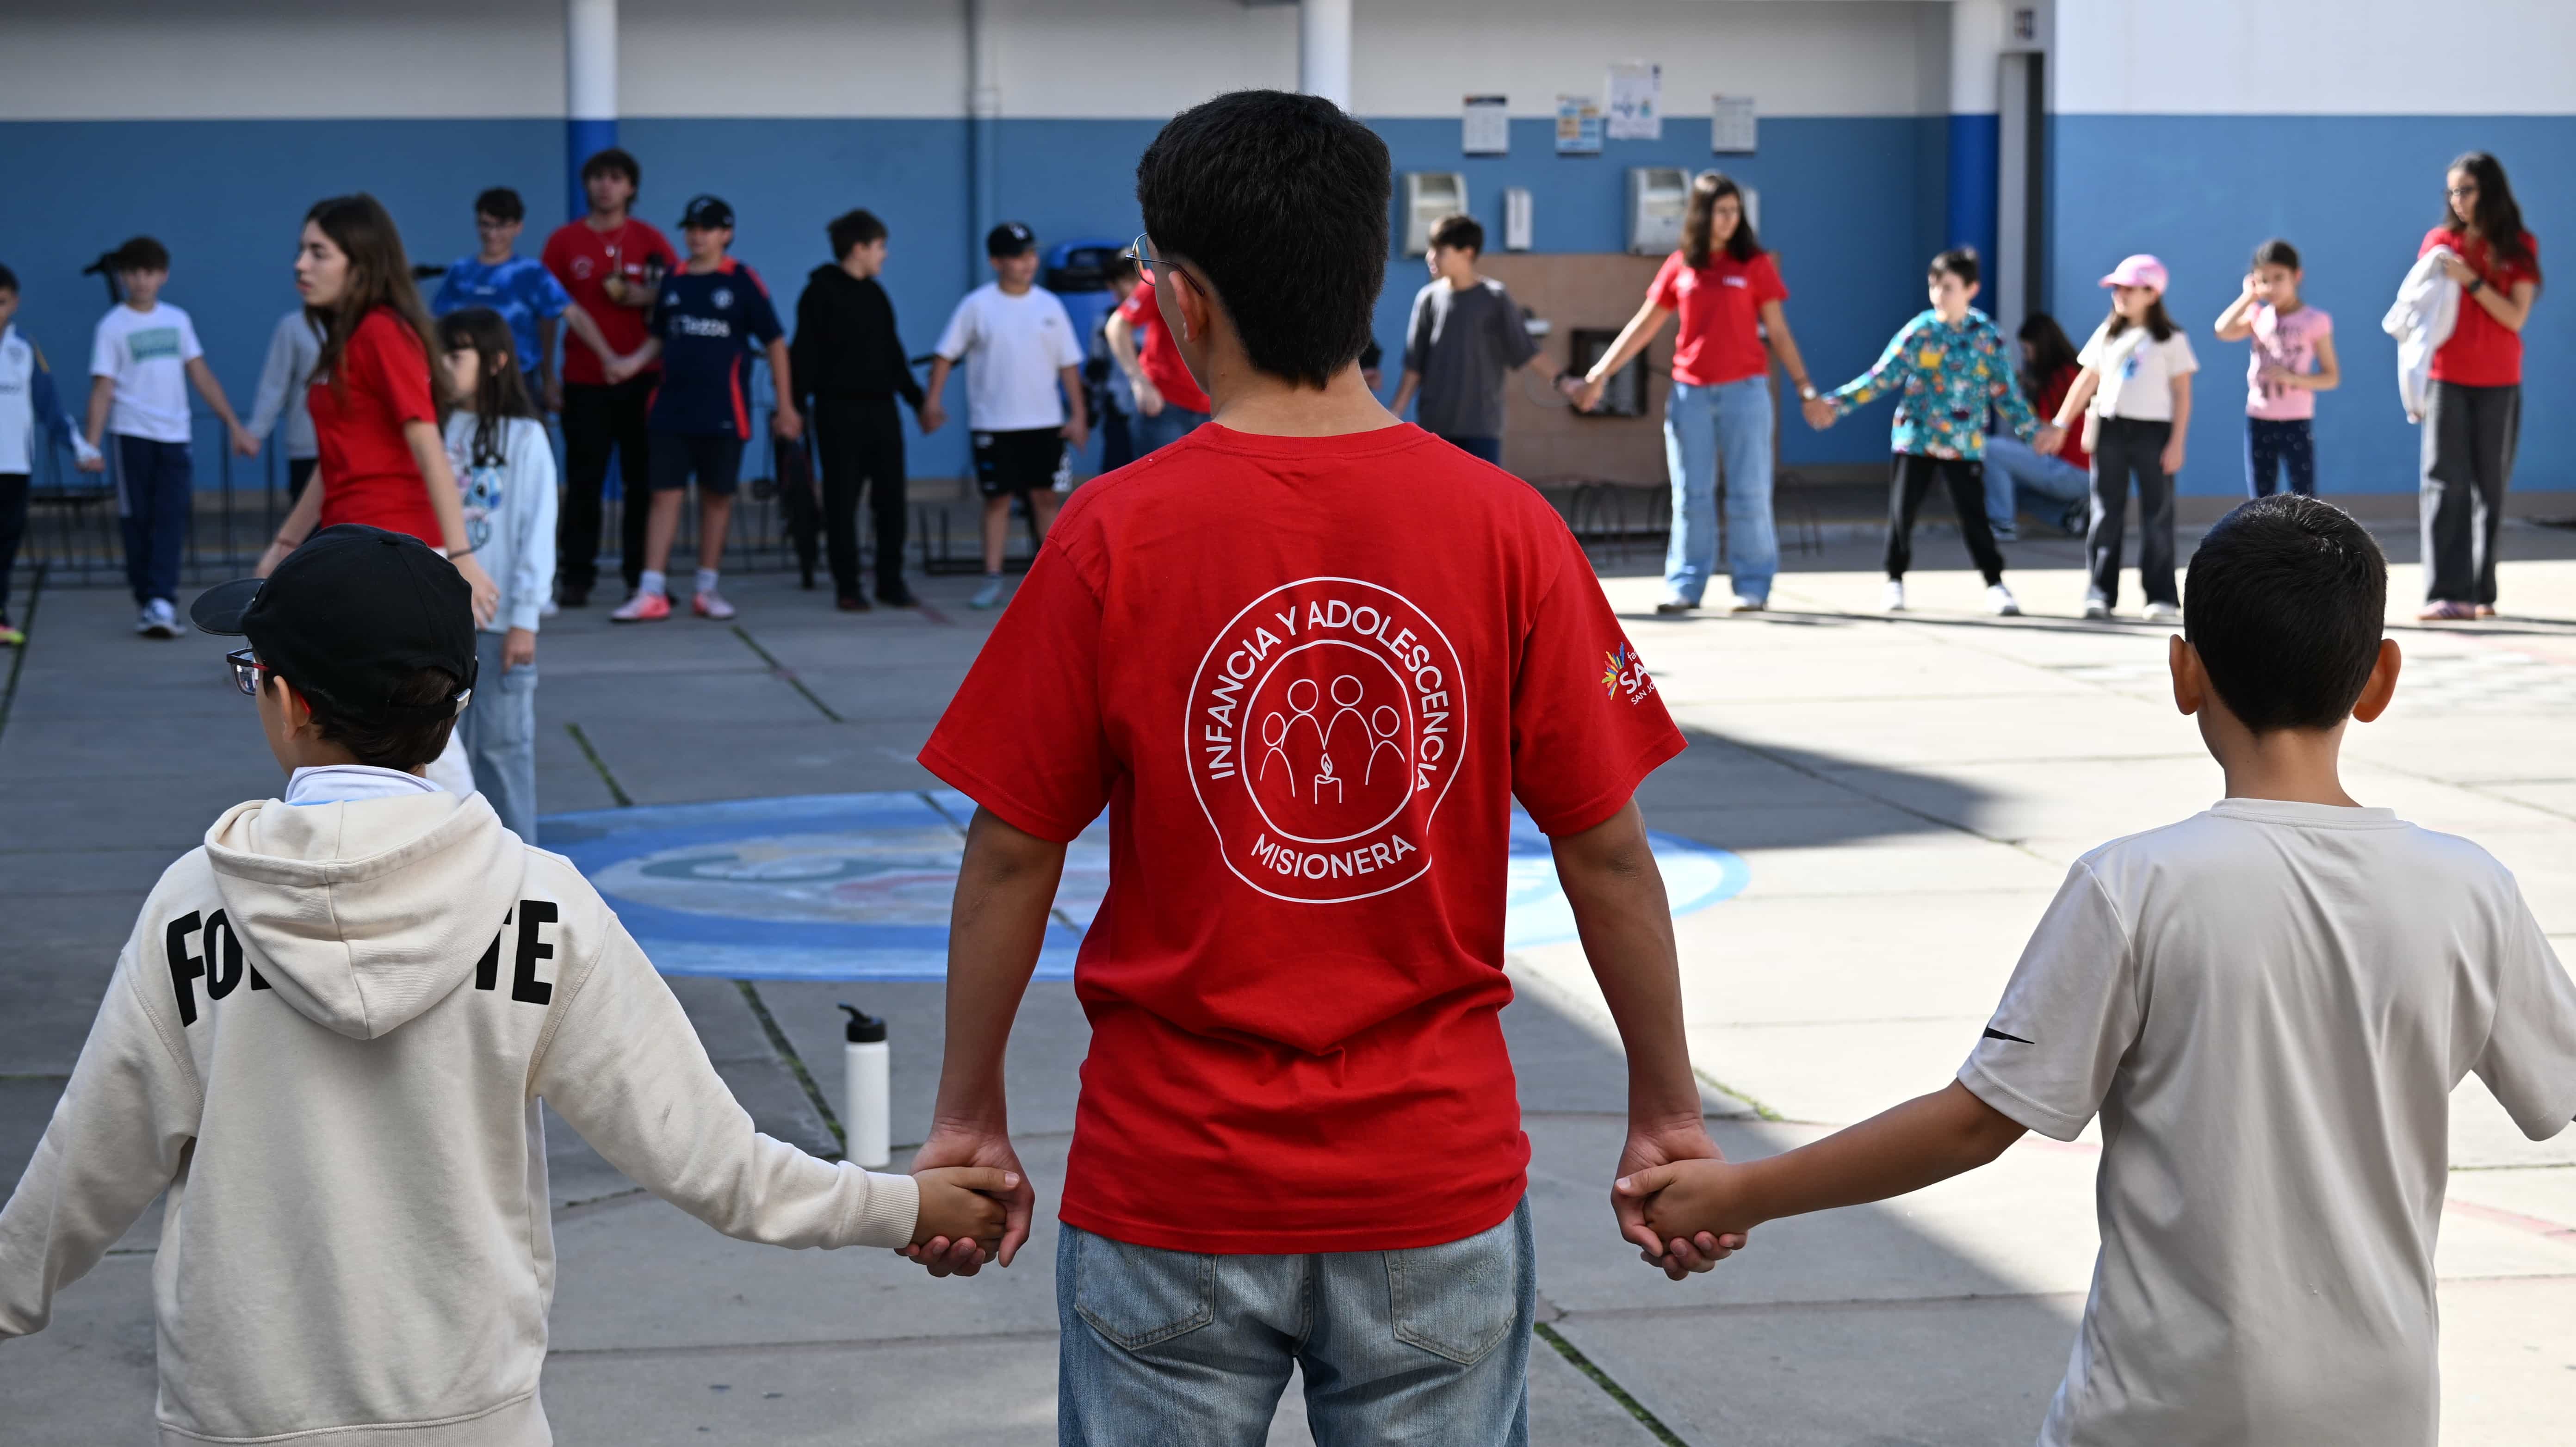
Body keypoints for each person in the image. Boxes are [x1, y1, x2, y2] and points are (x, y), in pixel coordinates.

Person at [899, 90, 1729, 1446]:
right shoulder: (1506, 530)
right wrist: (1665, 1106)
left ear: (1181, 302)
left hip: (1170, 1183)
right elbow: (1606, 846)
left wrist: (967, 1112)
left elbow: (1008, 846)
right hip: (1432, 1182)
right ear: (1370, 280)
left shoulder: (1109, 537)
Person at [0, 523, 1016, 1443]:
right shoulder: (543, 907)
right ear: (454, 709)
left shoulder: (193, 908)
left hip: (243, 1416)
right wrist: (908, 1205)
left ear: (291, 701)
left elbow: (79, 1179)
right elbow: (718, 1166)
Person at [1616, 493, 2576, 1447]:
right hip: (2380, 1411)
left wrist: (1739, 1192)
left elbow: (1972, 1123)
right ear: (2381, 679)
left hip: (2159, 1412)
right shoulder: (2468, 889)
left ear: (2185, 671)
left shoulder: (2137, 886)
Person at [1574, 172, 1820, 614]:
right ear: (1701, 214)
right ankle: (1685, 585)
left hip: (1746, 394)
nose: (1729, 220)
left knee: (1749, 492)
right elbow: (1644, 325)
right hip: (1690, 396)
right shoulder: (1681, 265)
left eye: (1735, 211)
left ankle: (1753, 585)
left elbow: (1779, 332)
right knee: (1691, 495)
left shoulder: (1755, 264)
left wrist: (1806, 389)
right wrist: (1600, 372)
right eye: (1720, 211)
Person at [254, 196, 499, 623]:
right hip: (353, 546)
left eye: (318, 253)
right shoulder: (346, 339)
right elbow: (334, 460)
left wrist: (462, 556)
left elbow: (427, 445)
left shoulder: (383, 332)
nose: (300, 265)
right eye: (301, 250)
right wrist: (285, 546)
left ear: (361, 264)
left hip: (396, 552)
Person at [1808, 248, 2062, 617]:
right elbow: (1883, 376)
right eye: (1933, 286)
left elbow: (2005, 391)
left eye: (1948, 287)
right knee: (1903, 512)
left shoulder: (1987, 336)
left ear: (1971, 289)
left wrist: (2032, 433)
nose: (1938, 295)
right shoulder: (1920, 331)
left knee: (1974, 514)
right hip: (1916, 438)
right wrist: (1837, 405)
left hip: (1964, 444)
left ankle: (1995, 584)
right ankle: (1894, 580)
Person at [604, 194, 797, 623]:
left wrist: (786, 405)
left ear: (726, 234)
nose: (697, 236)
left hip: (725, 411)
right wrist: (631, 363)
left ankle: (707, 589)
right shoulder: (673, 278)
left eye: (707, 228)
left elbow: (775, 342)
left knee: (717, 499)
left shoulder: (743, 280)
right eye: (691, 228)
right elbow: (660, 337)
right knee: (663, 496)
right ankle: (651, 590)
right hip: (671, 409)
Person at [83, 236, 258, 639]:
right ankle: (148, 598)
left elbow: (200, 373)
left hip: (175, 436)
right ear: (124, 276)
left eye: (149, 272)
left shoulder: (177, 320)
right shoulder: (112, 326)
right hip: (131, 436)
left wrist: (234, 424)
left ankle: (161, 600)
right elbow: (102, 388)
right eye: (133, 273)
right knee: (137, 520)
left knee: (171, 519)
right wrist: (91, 445)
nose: (141, 280)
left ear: (163, 275)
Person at [924, 221, 1087, 611]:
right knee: (997, 500)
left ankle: (1051, 579)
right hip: (994, 424)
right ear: (996, 262)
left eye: (1030, 254)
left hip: (1045, 423)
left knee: (1045, 498)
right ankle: (993, 578)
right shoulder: (977, 305)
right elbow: (946, 354)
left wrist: (1078, 414)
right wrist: (932, 401)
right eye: (1016, 256)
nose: (1027, 263)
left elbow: (1068, 366)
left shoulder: (1050, 306)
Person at [437, 308, 556, 839]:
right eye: (438, 354)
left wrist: (525, 617)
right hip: (440, 626)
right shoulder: (431, 428)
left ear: (496, 361)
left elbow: (538, 529)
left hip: (502, 621)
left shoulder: (525, 436)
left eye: (456, 355)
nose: (443, 366)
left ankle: (520, 870)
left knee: (505, 751)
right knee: (440, 758)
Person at [542, 148, 675, 607]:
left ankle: (643, 577)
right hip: (585, 378)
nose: (606, 186)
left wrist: (643, 294)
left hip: (644, 378)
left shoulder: (651, 239)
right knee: (584, 482)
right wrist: (549, 376)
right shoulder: (564, 241)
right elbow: (549, 311)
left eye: (616, 178)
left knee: (643, 482)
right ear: (587, 185)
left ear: (631, 187)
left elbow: (678, 296)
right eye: (598, 177)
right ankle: (577, 576)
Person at [2416, 152, 2542, 621]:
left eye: (2465, 189)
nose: (2457, 199)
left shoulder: (2518, 246)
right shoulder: (2439, 242)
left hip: (2500, 381)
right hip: (2445, 378)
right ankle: (2443, 591)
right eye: (2451, 191)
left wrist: (2471, 281)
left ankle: (2480, 591)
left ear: (2488, 191)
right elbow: (2420, 310)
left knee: (2490, 487)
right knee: (2442, 482)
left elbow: (2515, 316)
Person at [791, 207, 927, 611]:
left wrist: (918, 402)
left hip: (881, 411)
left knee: (890, 500)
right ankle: (847, 584)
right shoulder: (819, 293)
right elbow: (805, 356)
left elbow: (893, 355)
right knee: (841, 501)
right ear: (859, 248)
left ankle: (890, 579)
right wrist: (794, 409)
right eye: (880, 247)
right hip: (838, 411)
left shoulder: (875, 294)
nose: (884, 255)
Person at [2051, 254, 2198, 623]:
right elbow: (2087, 380)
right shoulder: (2108, 333)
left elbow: (2182, 393)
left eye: (2129, 288)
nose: (2119, 295)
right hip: (2111, 430)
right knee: (2105, 512)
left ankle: (2161, 596)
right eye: (2116, 288)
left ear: (2152, 292)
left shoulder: (2171, 339)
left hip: (2154, 434)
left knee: (2158, 514)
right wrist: (2061, 423)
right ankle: (2100, 592)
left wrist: (2177, 442)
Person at [1387, 214, 1560, 467]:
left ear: (1467, 253)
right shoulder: (1428, 298)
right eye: (1431, 249)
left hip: (1481, 427)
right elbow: (1415, 364)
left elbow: (1526, 350)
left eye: (1440, 251)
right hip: (1436, 425)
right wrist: (1395, 414)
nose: (1430, 258)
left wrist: (1566, 382)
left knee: (1480, 502)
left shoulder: (1494, 297)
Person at [431, 186, 612, 408]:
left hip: (518, 380)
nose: (492, 234)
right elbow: (435, 324)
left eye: (501, 226)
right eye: (486, 225)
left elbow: (573, 314)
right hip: (466, 382)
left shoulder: (531, 272)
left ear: (518, 227)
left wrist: (609, 358)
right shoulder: (460, 272)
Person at [0, 266, 102, 646]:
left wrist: (82, 449)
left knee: (6, 542)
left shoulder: (23, 348)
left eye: (1, 303)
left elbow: (50, 408)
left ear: (15, 303)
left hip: (13, 466)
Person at [2213, 238, 2339, 500]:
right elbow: (2222, 330)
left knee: (2304, 497)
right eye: (2263, 280)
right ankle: (2263, 543)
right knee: (2261, 497)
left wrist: (2294, 378)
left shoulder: (2315, 320)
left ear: (2297, 276)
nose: (2271, 287)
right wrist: (2248, 297)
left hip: (2296, 420)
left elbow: (2331, 377)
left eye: (2278, 278)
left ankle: (2304, 543)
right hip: (2259, 419)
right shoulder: (2258, 316)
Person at [1981, 313, 2091, 540]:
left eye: (2028, 350)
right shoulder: (2070, 373)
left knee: (1989, 449)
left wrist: (2013, 394)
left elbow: (2040, 437)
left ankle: (2002, 524)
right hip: (2084, 474)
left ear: (2042, 347)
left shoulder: (2059, 377)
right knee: (2010, 490)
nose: (2027, 358)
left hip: (2071, 470)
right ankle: (2070, 517)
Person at [1104, 240, 1209, 457]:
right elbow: (1117, 326)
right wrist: (1140, 381)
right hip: (1165, 406)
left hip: (1217, 409)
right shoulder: (1160, 281)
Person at [242, 308, 323, 500]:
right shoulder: (294, 326)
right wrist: (256, 431)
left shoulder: (367, 321)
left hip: (358, 448)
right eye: (299, 277)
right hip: (308, 443)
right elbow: (275, 383)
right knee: (311, 524)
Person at [1087, 253, 1140, 473]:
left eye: (1138, 277)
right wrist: (1089, 415)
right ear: (1113, 286)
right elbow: (1096, 371)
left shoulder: (1165, 317)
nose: (1137, 286)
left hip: (1160, 415)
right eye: (1127, 280)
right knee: (1117, 479)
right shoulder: (1106, 321)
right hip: (1119, 415)